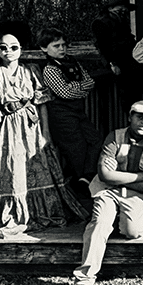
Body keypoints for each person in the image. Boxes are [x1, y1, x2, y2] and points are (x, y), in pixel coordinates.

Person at [0, 31, 84, 237]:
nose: (8, 52)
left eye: (14, 47)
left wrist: (46, 133)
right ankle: (15, 214)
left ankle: (43, 210)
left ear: (20, 50)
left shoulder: (30, 70)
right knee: (10, 167)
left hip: (31, 125)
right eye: (3, 47)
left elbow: (42, 103)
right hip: (7, 126)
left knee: (37, 165)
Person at [68, 101, 143, 285]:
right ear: (130, 117)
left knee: (132, 231)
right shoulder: (114, 137)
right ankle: (85, 280)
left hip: (138, 193)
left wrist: (122, 177)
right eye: (139, 116)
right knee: (99, 224)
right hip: (108, 190)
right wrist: (141, 176)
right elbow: (105, 176)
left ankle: (124, 218)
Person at [37, 27, 99, 188]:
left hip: (78, 112)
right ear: (44, 48)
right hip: (61, 115)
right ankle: (82, 184)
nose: (62, 49)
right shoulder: (50, 69)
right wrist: (80, 89)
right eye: (56, 46)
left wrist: (75, 87)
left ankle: (87, 177)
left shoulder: (73, 61)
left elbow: (90, 82)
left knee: (96, 140)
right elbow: (64, 93)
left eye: (64, 45)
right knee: (76, 149)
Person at [92, 0, 143, 105]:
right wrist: (112, 63)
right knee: (122, 97)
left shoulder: (122, 21)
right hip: (116, 64)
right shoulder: (101, 23)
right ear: (111, 8)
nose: (124, 10)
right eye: (121, 7)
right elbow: (102, 46)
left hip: (129, 62)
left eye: (125, 8)